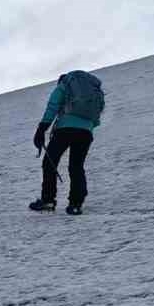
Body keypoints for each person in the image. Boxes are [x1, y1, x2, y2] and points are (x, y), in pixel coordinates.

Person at [30, 70, 104, 215]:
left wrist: (41, 129)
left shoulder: (64, 85)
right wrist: (87, 127)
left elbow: (52, 106)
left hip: (65, 129)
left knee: (49, 163)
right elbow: (98, 112)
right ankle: (76, 204)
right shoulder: (93, 89)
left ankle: (48, 200)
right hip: (86, 132)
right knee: (76, 166)